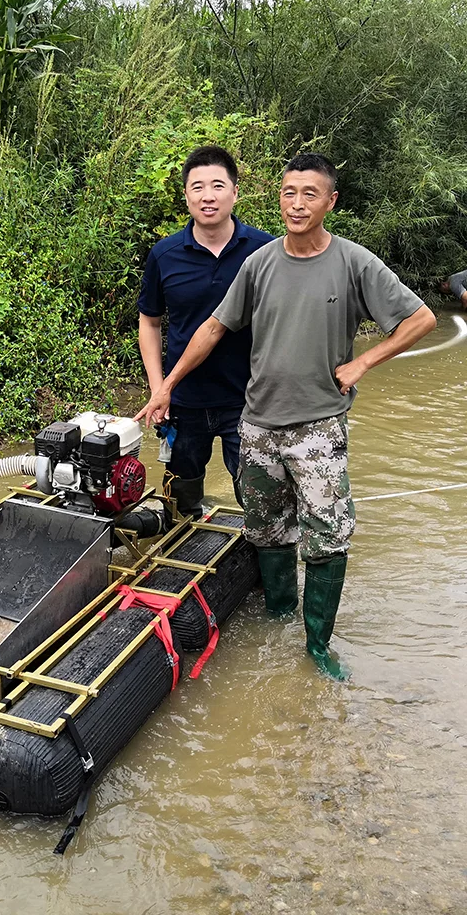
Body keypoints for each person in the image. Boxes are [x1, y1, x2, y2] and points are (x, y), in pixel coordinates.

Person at [136, 153, 436, 680]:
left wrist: (362, 361)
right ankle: (279, 615)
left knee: (328, 535)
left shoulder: (353, 262)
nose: (297, 205)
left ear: (330, 202)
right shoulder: (260, 262)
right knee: (268, 531)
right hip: (256, 426)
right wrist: (166, 388)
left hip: (318, 426)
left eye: (310, 194)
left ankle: (317, 645)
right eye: (289, 192)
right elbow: (212, 329)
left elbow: (421, 318)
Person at [138, 145, 273, 518]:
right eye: (197, 187)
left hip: (248, 398)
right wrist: (158, 388)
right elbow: (150, 321)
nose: (207, 196)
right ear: (186, 196)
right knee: (180, 498)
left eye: (217, 185)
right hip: (184, 401)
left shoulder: (265, 250)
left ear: (235, 192)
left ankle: (260, 568)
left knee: (258, 495)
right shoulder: (165, 254)